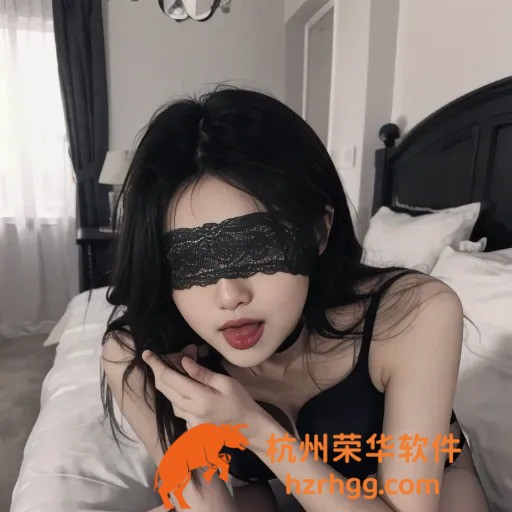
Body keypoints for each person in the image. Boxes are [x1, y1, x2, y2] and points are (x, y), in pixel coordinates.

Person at [100, 85, 489, 512]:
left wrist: (254, 429)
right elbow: (207, 505)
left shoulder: (415, 313)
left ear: (318, 232)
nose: (229, 297)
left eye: (257, 248)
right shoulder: (140, 355)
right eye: (191, 263)